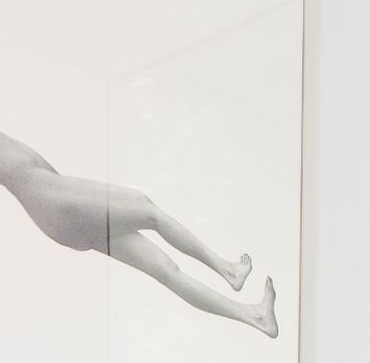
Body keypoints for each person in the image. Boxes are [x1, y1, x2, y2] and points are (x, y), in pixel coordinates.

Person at [0, 129, 276, 335]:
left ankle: (254, 316)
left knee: (166, 270)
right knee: (148, 210)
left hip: (57, 209)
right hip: (56, 201)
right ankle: (228, 270)